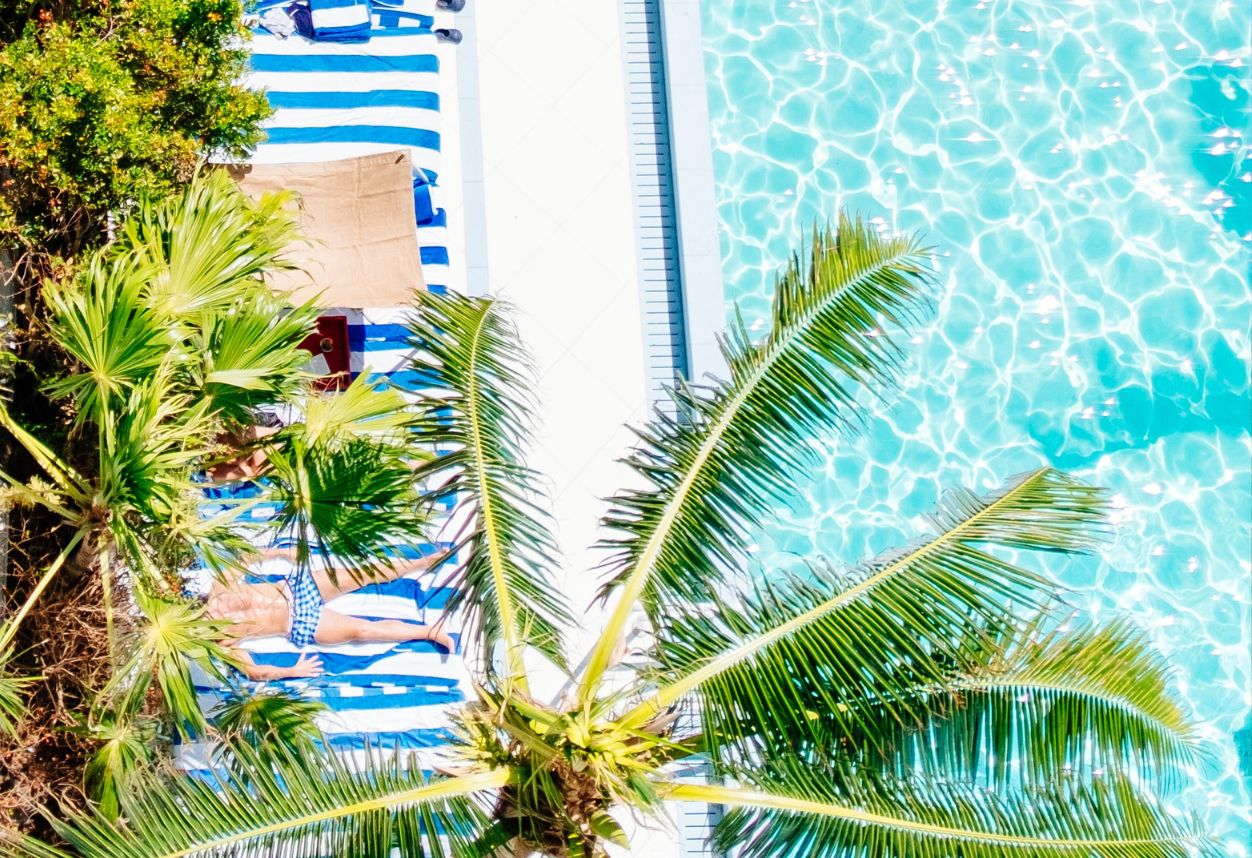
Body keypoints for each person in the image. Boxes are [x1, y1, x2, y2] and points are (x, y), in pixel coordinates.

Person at [195, 546, 456, 681]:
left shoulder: (220, 587)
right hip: (297, 621)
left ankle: (424, 562)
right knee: (362, 631)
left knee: (363, 573)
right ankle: (430, 632)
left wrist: (280, 553)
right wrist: (291, 671)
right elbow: (253, 671)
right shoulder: (223, 642)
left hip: (294, 589)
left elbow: (244, 557)